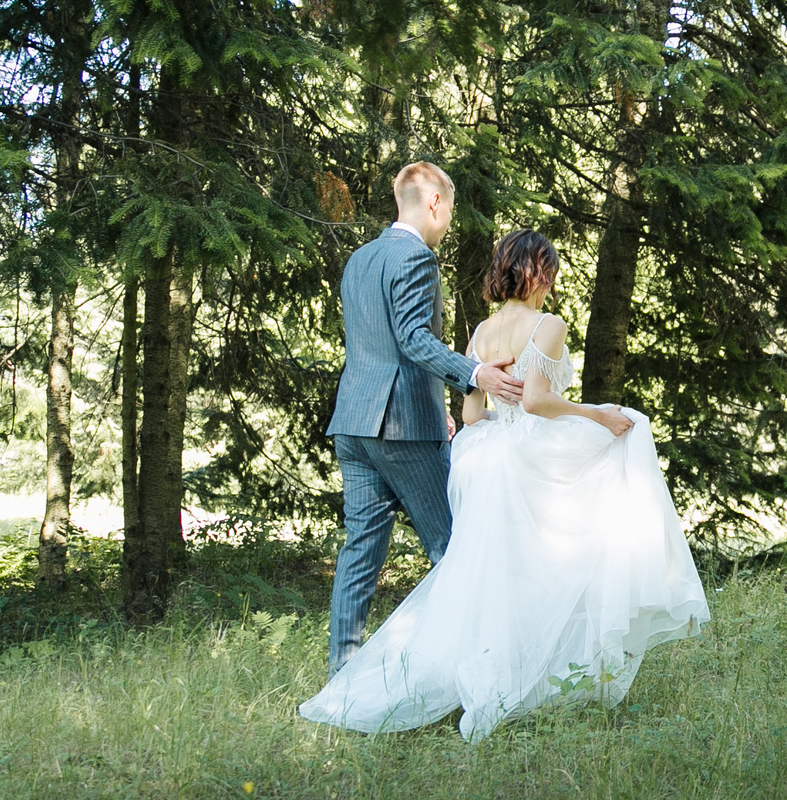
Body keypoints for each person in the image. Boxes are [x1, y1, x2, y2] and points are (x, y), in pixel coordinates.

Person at [302, 227, 709, 739]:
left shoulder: (481, 332)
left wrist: (502, 409)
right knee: (601, 484)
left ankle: (494, 675)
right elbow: (538, 402)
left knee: (496, 576)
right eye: (552, 271)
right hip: (526, 455)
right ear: (540, 272)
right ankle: (530, 674)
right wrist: (598, 415)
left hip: (485, 457)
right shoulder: (549, 324)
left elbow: (472, 414)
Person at [324, 162, 527, 676]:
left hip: (353, 422)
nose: (448, 222)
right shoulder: (416, 257)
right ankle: (470, 676)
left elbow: (380, 346)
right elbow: (413, 339)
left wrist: (437, 403)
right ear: (435, 202)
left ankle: (342, 676)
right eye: (450, 211)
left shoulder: (359, 260)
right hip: (401, 427)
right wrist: (476, 374)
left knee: (360, 552)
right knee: (454, 546)